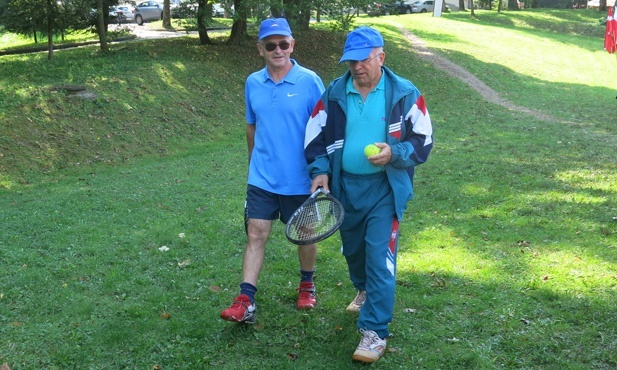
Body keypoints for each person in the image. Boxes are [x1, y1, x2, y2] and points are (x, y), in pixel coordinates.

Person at [304, 26, 433, 363]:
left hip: (385, 189)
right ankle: (362, 289)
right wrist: (319, 170)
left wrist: (395, 152)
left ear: (381, 57)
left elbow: (424, 140)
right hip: (345, 188)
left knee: (380, 258)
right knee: (354, 252)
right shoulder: (334, 93)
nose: (357, 66)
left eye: (363, 59)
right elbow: (314, 136)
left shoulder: (404, 93)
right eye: (351, 61)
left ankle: (374, 332)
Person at [220, 18, 326, 324]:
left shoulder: (310, 81)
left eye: (283, 44)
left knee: (305, 235)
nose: (277, 50)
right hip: (263, 177)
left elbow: (323, 128)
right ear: (260, 50)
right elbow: (251, 126)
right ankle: (245, 300)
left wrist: (322, 170)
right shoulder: (253, 82)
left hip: (301, 178)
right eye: (271, 45)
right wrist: (254, 162)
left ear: (292, 45)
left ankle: (307, 284)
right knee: (256, 233)